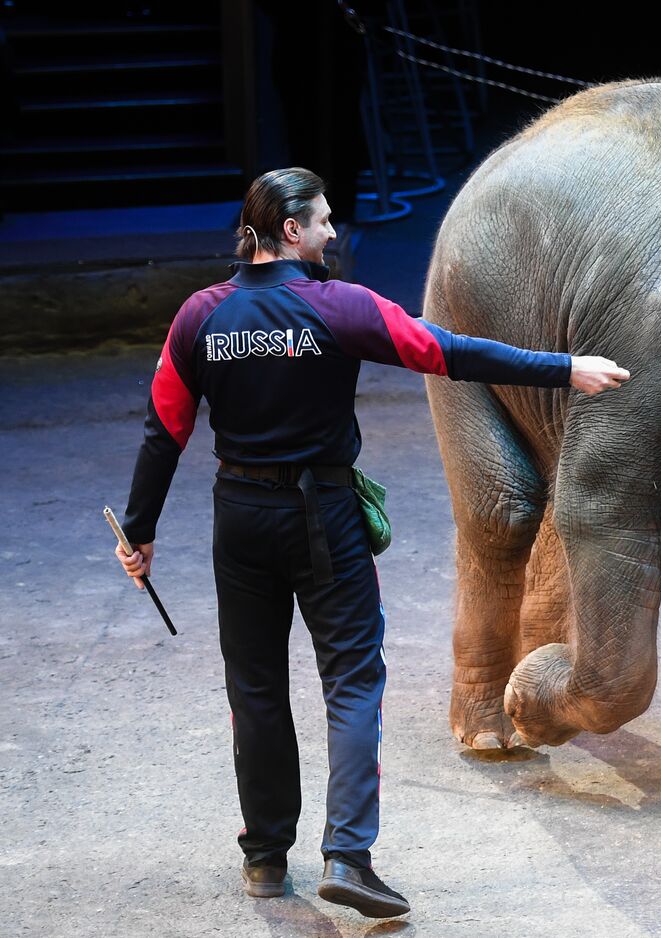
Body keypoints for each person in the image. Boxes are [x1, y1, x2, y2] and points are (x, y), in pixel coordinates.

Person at [114, 167, 629, 919]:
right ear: (289, 230)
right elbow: (448, 352)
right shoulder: (340, 307)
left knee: (254, 690)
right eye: (322, 221)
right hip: (324, 515)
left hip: (240, 518)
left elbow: (165, 429)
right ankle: (348, 856)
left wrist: (140, 531)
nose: (330, 233)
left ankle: (264, 858)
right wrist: (563, 369)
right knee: (352, 681)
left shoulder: (200, 316)